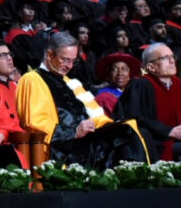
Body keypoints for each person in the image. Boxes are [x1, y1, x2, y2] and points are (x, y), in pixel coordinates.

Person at [16, 32, 151, 168]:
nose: (69, 66)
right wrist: (73, 132)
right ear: (50, 55)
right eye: (65, 60)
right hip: (59, 148)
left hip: (85, 144)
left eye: (73, 61)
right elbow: (34, 124)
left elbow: (97, 116)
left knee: (127, 132)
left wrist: (111, 126)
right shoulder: (32, 79)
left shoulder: (72, 83)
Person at [116, 43, 181, 161]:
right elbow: (135, 118)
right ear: (151, 67)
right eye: (166, 58)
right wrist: (169, 131)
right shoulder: (140, 85)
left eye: (172, 57)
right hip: (155, 143)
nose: (172, 61)